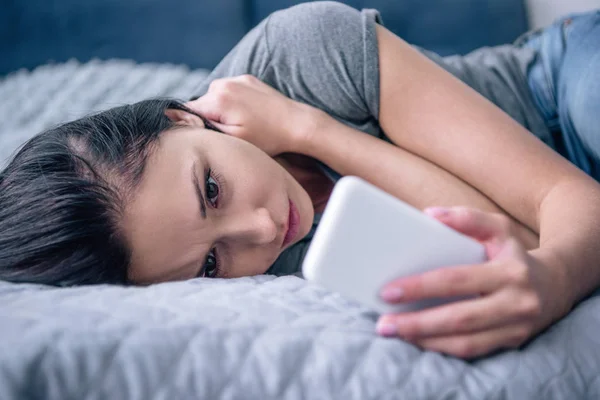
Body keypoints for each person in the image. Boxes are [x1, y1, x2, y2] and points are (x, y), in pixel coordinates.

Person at [0, 2, 599, 359]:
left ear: (182, 116)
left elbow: (566, 203)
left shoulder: (297, 52)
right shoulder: (259, 276)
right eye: (210, 263)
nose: (262, 230)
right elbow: (518, 245)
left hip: (555, 91)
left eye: (211, 189)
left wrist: (311, 129)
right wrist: (553, 266)